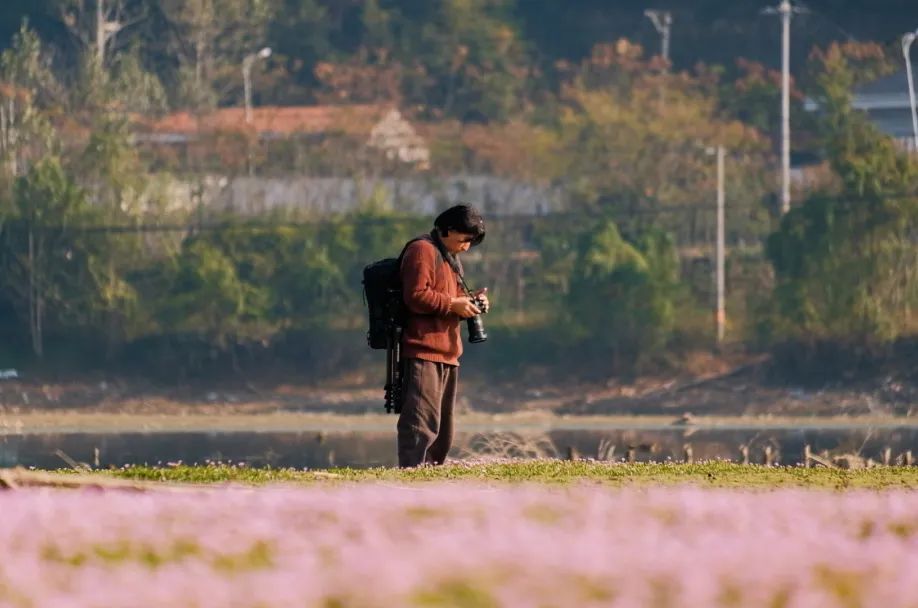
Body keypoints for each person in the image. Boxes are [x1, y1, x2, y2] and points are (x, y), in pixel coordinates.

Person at [397, 204, 489, 467]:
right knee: (420, 423)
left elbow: (449, 299)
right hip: (423, 349)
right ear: (447, 230)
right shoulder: (422, 250)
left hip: (448, 352)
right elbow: (415, 296)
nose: (466, 247)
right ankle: (411, 475)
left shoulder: (449, 256)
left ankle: (430, 475)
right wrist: (452, 304)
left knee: (443, 430)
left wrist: (470, 303)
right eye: (464, 240)